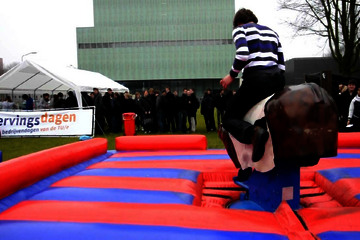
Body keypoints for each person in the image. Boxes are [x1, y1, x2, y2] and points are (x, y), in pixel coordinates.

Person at [218, 8, 286, 172]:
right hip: (277, 79)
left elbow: (242, 55)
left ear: (239, 23)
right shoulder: (272, 32)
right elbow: (281, 64)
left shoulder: (240, 30)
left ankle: (253, 133)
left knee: (229, 118)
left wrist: (231, 76)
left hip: (256, 78)